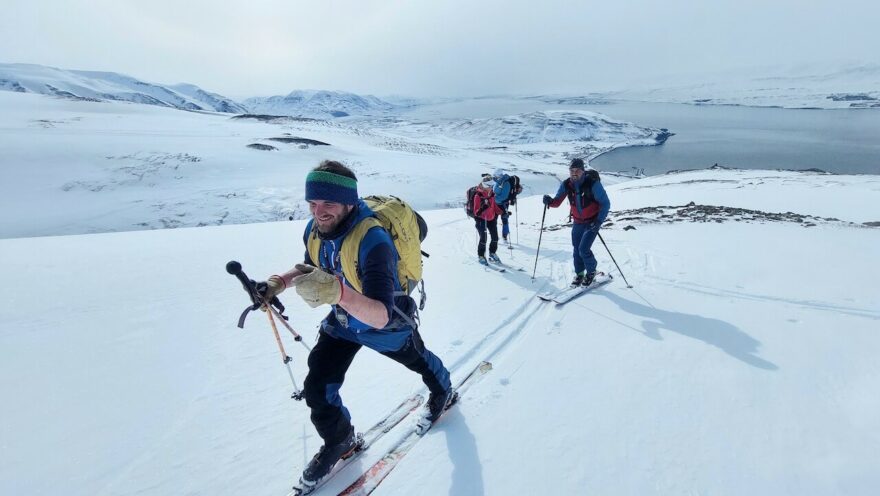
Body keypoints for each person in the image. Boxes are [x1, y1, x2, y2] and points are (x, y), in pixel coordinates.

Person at [258, 160, 452, 488]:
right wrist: (276, 283)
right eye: (313, 203)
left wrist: (337, 292)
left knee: (419, 362)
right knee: (317, 386)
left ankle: (443, 389)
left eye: (328, 204)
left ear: (349, 202)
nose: (318, 212)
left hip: (385, 327)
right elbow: (309, 266)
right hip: (344, 320)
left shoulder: (374, 240)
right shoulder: (315, 230)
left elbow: (380, 314)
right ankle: (339, 439)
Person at [542, 158, 611, 286]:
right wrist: (549, 202)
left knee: (583, 249)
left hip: (592, 222)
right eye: (571, 170)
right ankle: (579, 274)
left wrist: (598, 221)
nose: (574, 173)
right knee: (576, 250)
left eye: (577, 170)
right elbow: (557, 201)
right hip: (578, 222)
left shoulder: (593, 184)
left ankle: (591, 272)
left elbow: (605, 204)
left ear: (583, 171)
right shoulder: (567, 184)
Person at [472, 173, 504, 265]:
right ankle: (481, 255)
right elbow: (476, 212)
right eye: (491, 186)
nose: (493, 187)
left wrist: (502, 212)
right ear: (486, 186)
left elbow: (494, 207)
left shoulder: (491, 194)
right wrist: (483, 208)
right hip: (481, 220)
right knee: (483, 238)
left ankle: (492, 253)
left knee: (495, 238)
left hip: (491, 219)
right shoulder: (478, 196)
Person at [492, 168, 523, 243]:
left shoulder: (505, 183)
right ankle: (495, 236)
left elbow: (504, 196)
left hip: (503, 204)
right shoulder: (499, 181)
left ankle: (505, 235)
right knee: (493, 220)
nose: (494, 177)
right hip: (496, 204)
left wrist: (493, 198)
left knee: (504, 219)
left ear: (498, 175)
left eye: (495, 176)